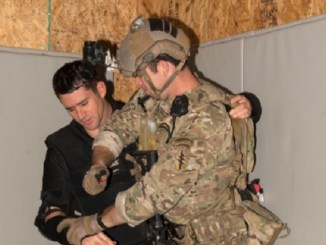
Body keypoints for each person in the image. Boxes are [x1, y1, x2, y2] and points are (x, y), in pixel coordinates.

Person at [44, 18, 261, 245]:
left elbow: (154, 194)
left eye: (140, 75)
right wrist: (100, 162)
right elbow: (117, 127)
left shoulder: (205, 119)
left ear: (164, 67)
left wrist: (93, 224)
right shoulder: (155, 98)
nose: (138, 83)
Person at [34, 60, 149, 245]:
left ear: (101, 89)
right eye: (71, 109)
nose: (80, 115)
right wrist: (80, 235)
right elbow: (48, 214)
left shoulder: (140, 120)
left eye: (84, 103)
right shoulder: (62, 147)